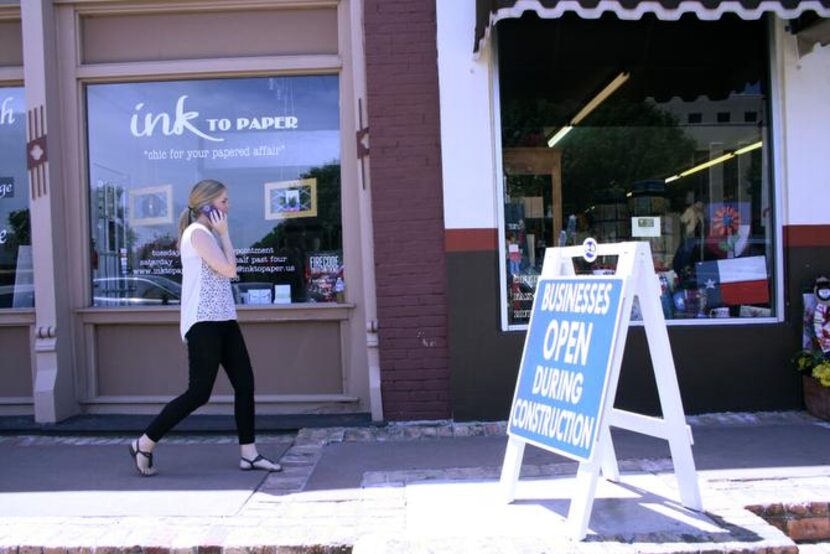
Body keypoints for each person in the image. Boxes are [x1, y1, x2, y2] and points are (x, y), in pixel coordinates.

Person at [128, 179, 281, 476]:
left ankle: (249, 454)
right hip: (204, 324)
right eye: (223, 201)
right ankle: (144, 443)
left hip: (224, 319)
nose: (228, 206)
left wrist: (221, 234)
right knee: (199, 393)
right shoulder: (198, 233)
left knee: (245, 384)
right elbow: (229, 269)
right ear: (207, 206)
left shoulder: (205, 233)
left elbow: (223, 274)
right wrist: (225, 235)